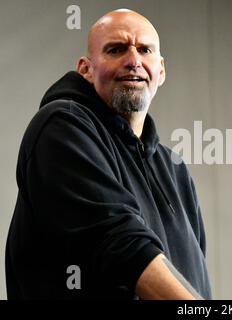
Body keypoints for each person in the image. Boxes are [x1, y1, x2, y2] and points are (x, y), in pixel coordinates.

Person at [5, 9, 211, 300]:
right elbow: (121, 243)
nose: (133, 60)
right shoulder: (61, 127)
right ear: (86, 69)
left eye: (145, 50)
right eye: (116, 49)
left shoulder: (174, 168)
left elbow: (193, 278)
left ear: (161, 70)